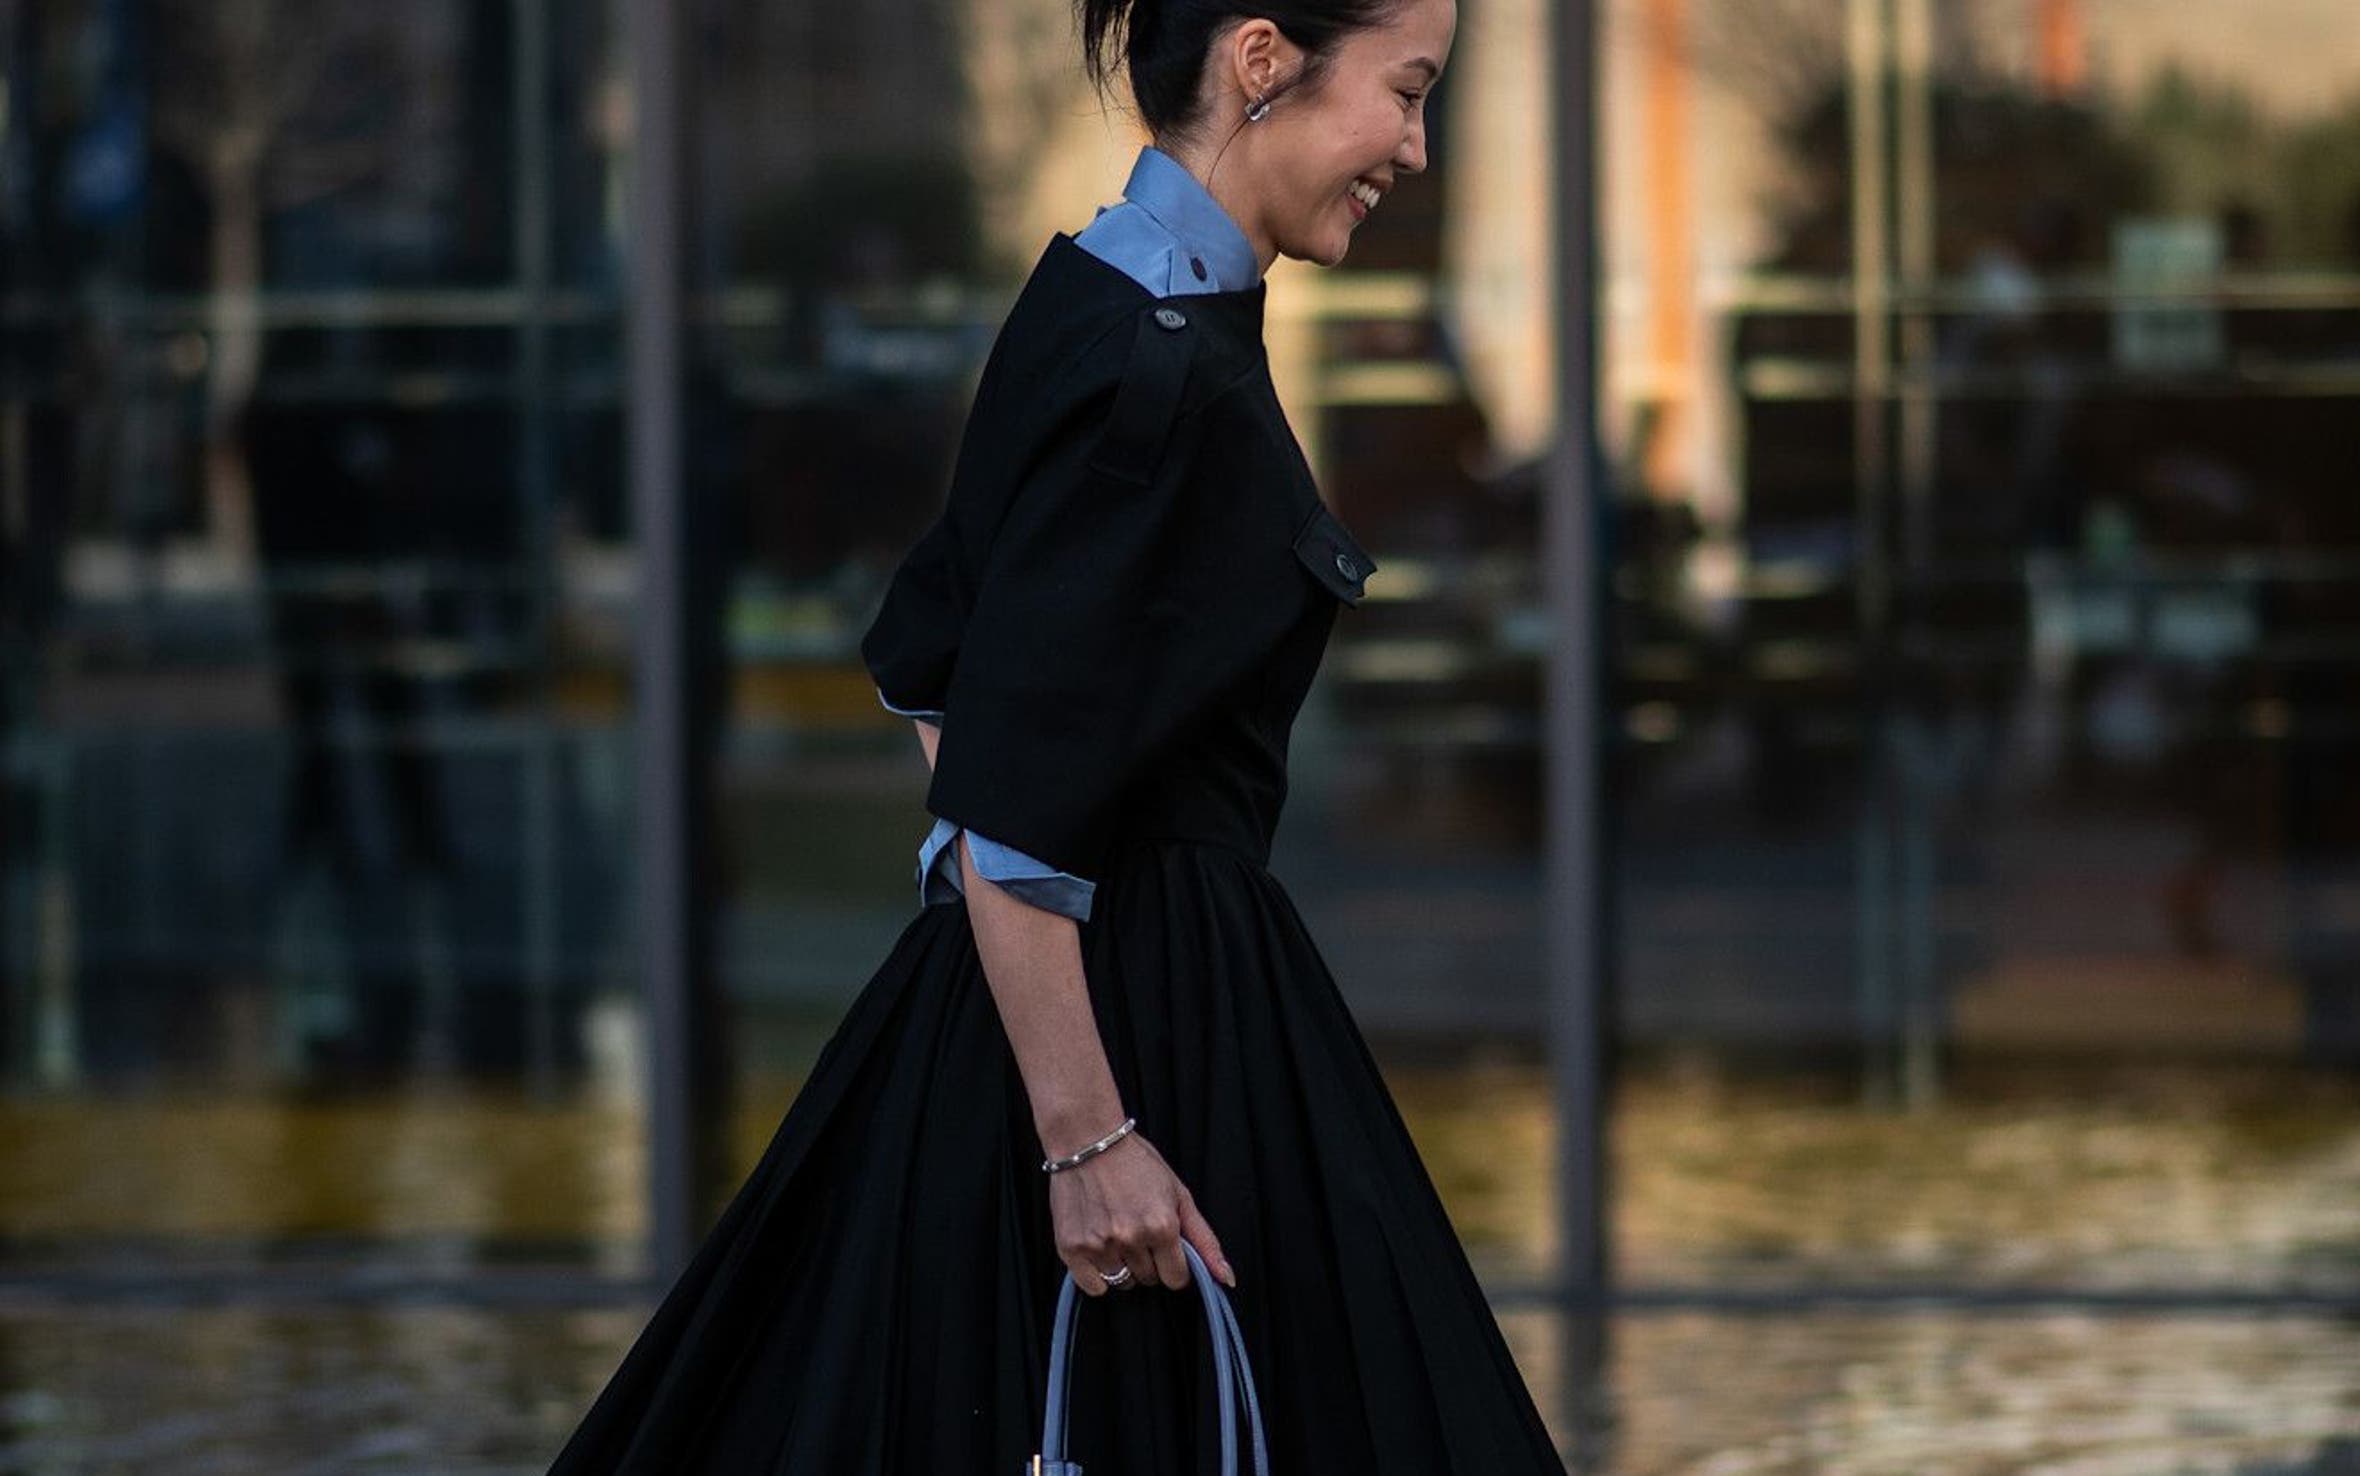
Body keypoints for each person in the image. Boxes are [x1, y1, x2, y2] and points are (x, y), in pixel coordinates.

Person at [547, 0, 1570, 1469]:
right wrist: (1088, 1139)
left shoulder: (1100, 297)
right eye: (1404, 96)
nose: (1412, 148)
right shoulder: (1159, 366)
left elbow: (931, 677)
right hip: (1141, 1031)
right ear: (1262, 59)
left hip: (1094, 1012)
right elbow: (1010, 798)